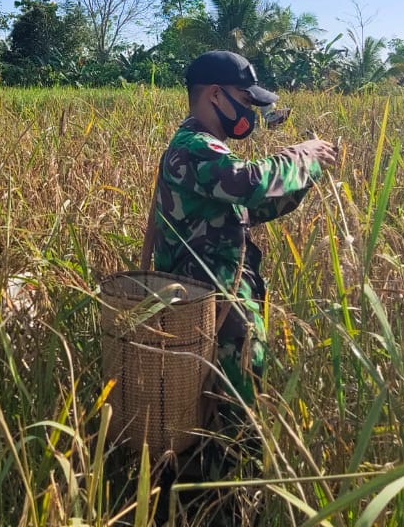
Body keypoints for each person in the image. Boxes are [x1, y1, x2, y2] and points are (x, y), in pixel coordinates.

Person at [144, 50, 336, 432]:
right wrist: (301, 155)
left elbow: (255, 206)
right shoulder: (194, 147)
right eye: (246, 100)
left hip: (220, 309)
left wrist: (306, 174)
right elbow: (248, 182)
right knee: (228, 425)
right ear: (215, 95)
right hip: (210, 313)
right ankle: (220, 492)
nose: (251, 111)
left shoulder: (201, 147)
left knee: (224, 416)